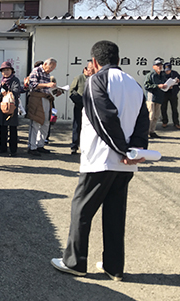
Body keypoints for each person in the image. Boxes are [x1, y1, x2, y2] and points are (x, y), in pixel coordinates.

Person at [51, 40, 149, 282]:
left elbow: (104, 118)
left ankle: (74, 262)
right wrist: (135, 150)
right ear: (118, 59)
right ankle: (114, 267)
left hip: (101, 159)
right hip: (125, 163)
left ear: (94, 62)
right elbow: (142, 121)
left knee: (81, 209)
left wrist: (123, 149)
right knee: (115, 213)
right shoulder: (134, 84)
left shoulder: (96, 80)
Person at [26, 58, 57, 156]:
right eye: (50, 67)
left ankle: (40, 145)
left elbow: (46, 88)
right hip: (36, 98)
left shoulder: (47, 74)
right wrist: (47, 84)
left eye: (53, 68)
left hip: (46, 98)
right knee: (36, 122)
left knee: (46, 122)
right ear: (45, 64)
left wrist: (56, 90)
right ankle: (32, 147)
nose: (51, 70)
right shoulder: (36, 71)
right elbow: (33, 85)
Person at [0, 61, 23, 157]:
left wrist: (7, 90)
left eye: (7, 70)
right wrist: (0, 92)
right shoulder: (0, 81)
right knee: (2, 128)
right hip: (2, 106)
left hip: (11, 107)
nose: (6, 72)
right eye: (3, 70)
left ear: (11, 70)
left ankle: (13, 150)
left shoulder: (15, 80)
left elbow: (16, 91)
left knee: (13, 129)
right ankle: (2, 148)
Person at [69, 63, 95, 154]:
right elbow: (71, 91)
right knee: (77, 125)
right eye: (89, 69)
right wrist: (79, 101)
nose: (91, 71)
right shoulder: (79, 78)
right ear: (85, 69)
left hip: (92, 107)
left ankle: (89, 146)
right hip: (80, 105)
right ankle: (74, 146)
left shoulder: (96, 78)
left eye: (93, 69)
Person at [144, 59, 167, 138]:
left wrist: (167, 86)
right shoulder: (150, 75)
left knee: (156, 116)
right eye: (157, 65)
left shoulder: (163, 75)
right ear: (153, 67)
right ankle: (146, 132)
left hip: (159, 97)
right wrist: (157, 86)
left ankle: (152, 131)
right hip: (151, 98)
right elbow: (146, 86)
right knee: (151, 115)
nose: (159, 67)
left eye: (160, 65)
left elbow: (164, 85)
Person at [160, 62, 180, 129]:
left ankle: (176, 123)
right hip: (164, 93)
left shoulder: (174, 73)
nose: (168, 71)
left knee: (174, 108)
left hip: (173, 93)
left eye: (169, 70)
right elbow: (159, 83)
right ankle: (164, 121)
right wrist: (166, 86)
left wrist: (178, 81)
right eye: (166, 70)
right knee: (163, 108)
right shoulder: (161, 74)